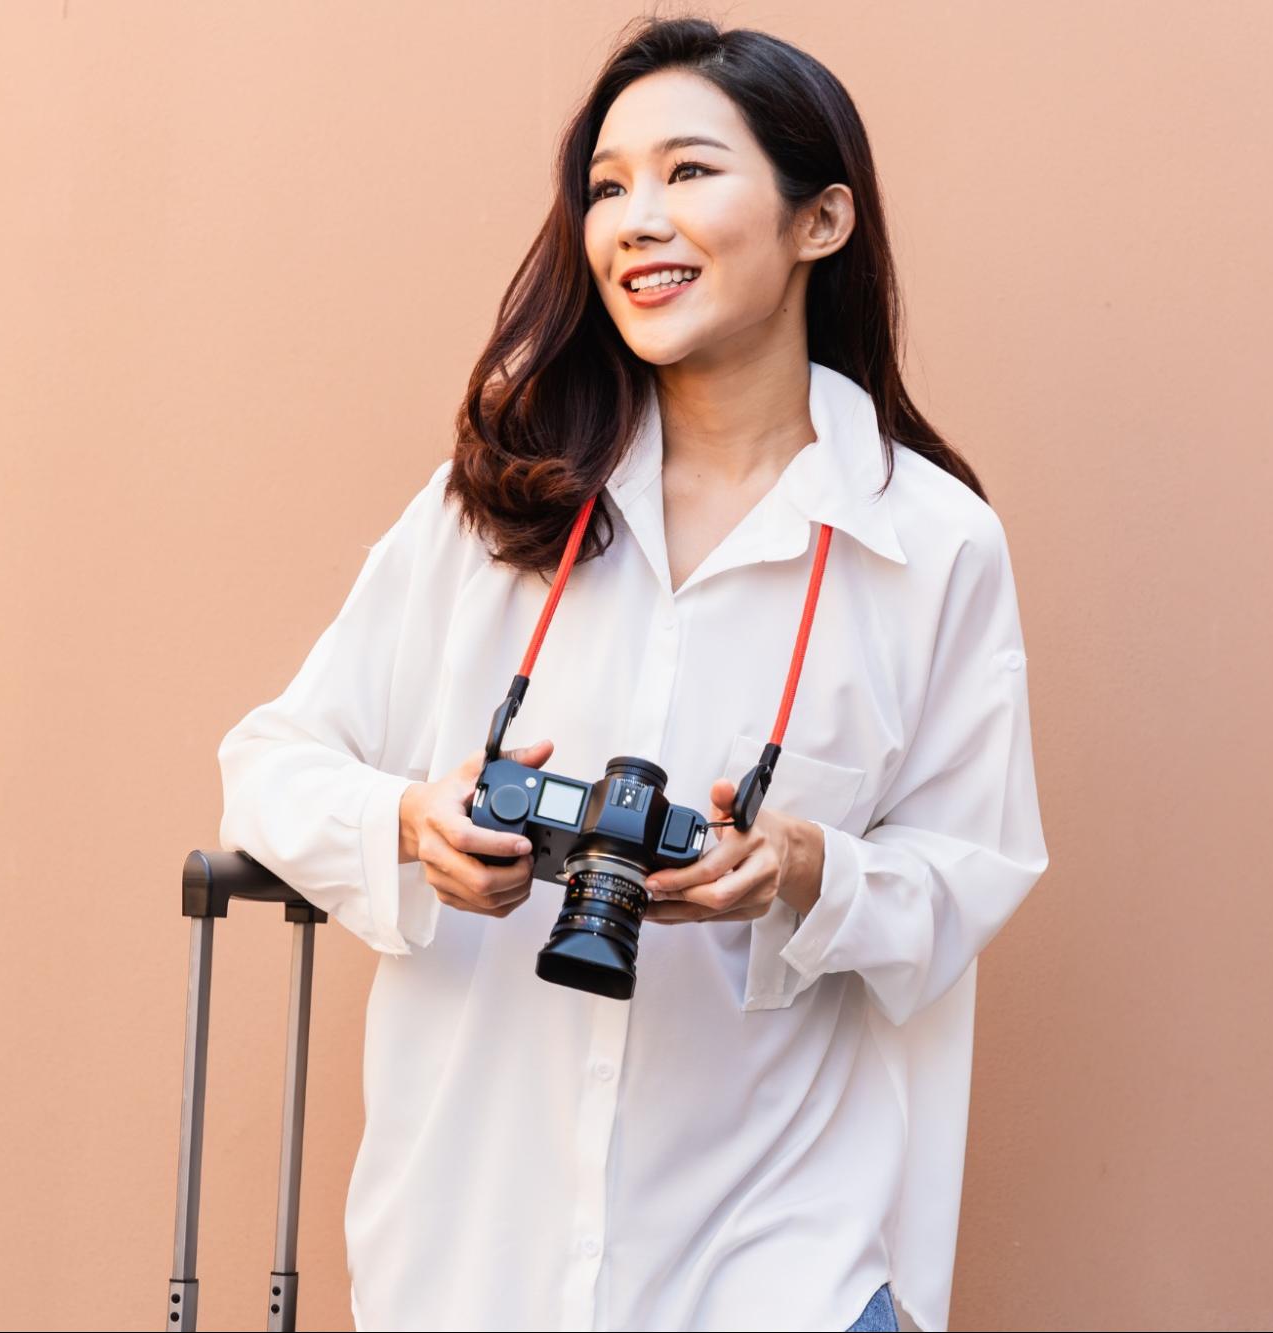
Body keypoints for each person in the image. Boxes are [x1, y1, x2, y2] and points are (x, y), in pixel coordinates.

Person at [216, 16, 1048, 1333]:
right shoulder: (497, 509)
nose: (636, 220)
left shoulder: (929, 545)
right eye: (606, 186)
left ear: (819, 221)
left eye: (689, 173)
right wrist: (408, 824)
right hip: (476, 1262)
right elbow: (262, 765)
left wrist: (806, 868)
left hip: (783, 1272)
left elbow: (975, 868)